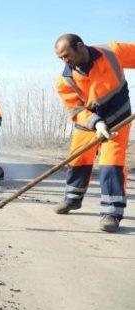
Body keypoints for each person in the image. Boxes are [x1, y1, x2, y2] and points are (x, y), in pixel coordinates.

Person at [53, 34, 134, 232]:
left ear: (80, 46)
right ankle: (72, 198)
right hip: (89, 123)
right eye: (61, 58)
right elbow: (76, 110)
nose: (65, 61)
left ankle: (111, 213)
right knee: (78, 159)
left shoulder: (113, 52)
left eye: (66, 55)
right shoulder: (65, 80)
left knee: (110, 163)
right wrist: (96, 123)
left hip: (118, 119)